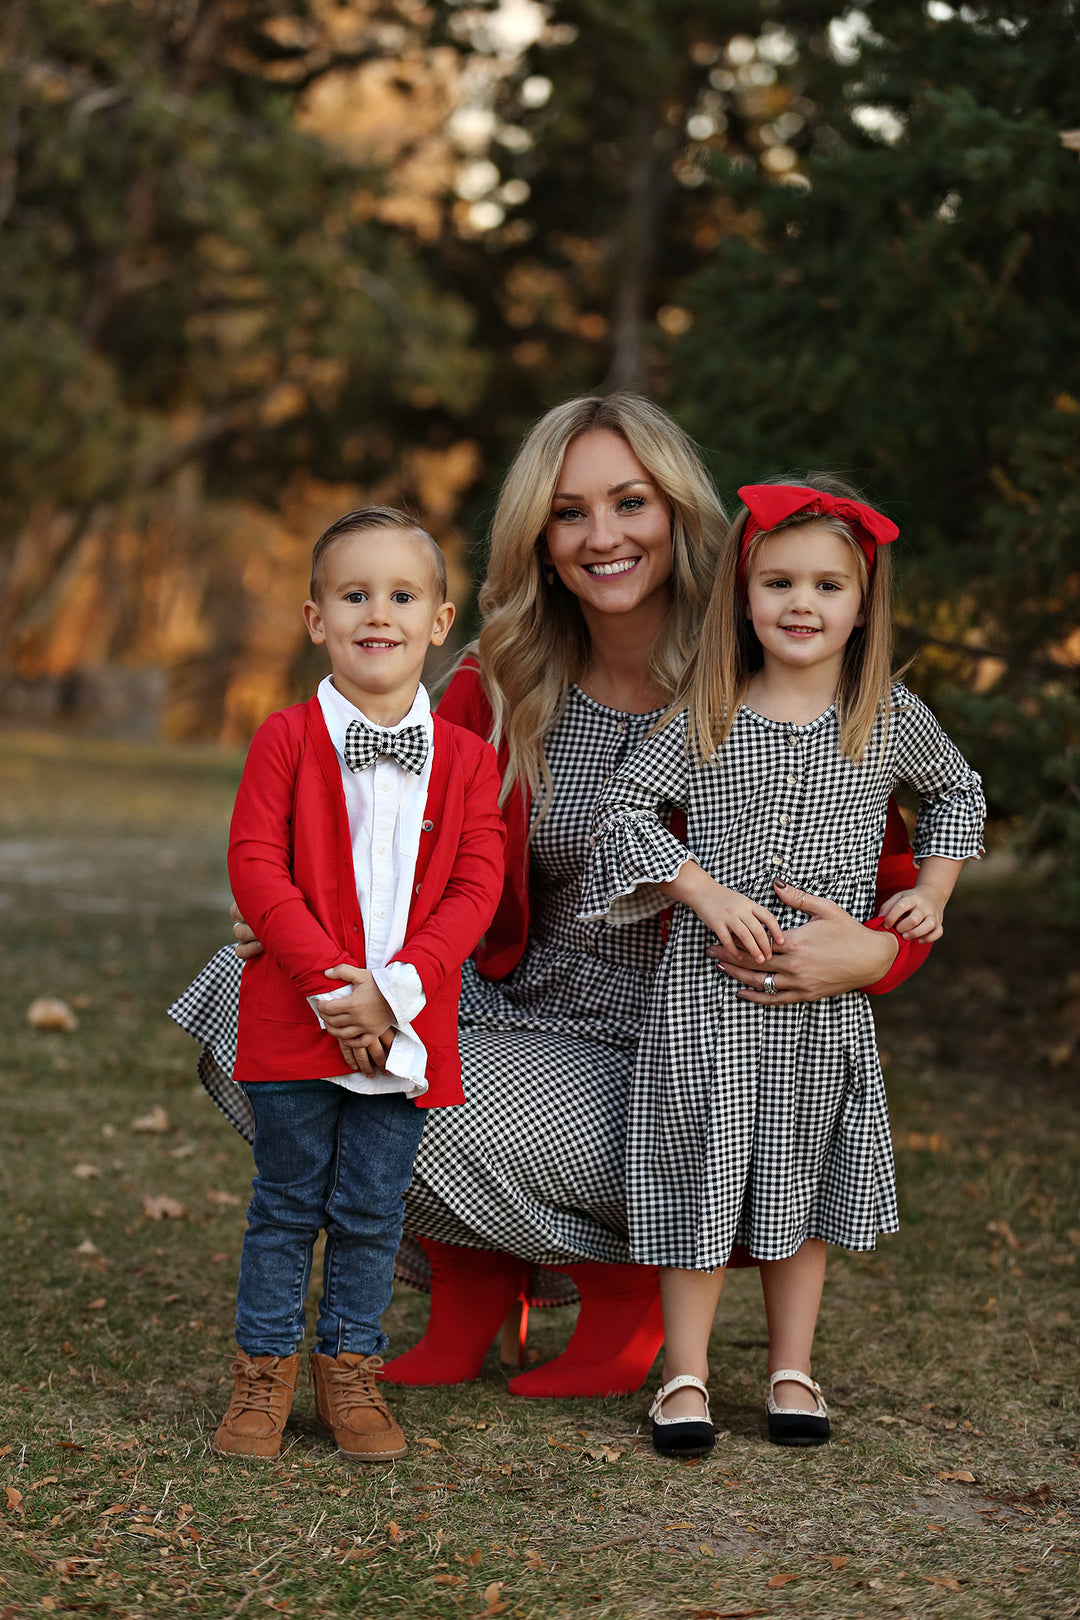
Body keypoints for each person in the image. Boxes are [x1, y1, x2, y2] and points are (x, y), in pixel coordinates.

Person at [173, 398, 930, 1400]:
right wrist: (312, 922)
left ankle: (621, 1285)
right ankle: (474, 1280)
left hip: (672, 1052)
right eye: (570, 512)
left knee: (407, 1097)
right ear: (539, 533)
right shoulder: (501, 679)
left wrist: (876, 955)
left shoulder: (769, 677)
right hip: (509, 1007)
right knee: (253, 1002)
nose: (602, 536)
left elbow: (891, 882)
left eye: (631, 503)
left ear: (680, 515)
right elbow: (400, 844)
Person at [579, 477, 985, 1454]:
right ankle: (683, 1377)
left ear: (862, 602)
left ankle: (792, 1370)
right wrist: (704, 894)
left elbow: (960, 795)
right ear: (742, 595)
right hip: (706, 998)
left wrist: (930, 893)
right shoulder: (706, 713)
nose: (802, 604)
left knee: (801, 1180)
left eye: (828, 586)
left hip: (821, 1005)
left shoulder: (884, 715)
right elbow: (625, 813)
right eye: (779, 582)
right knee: (697, 1174)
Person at [205, 506, 504, 1462]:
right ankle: (261, 1380)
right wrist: (335, 990)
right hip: (298, 1021)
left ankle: (352, 1376)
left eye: (401, 595)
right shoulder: (285, 740)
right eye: (354, 594)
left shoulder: (467, 759)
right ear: (315, 619)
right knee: (287, 1205)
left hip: (406, 1031)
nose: (378, 612)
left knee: (372, 1209)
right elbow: (256, 863)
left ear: (440, 620)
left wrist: (398, 989)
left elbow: (476, 886)